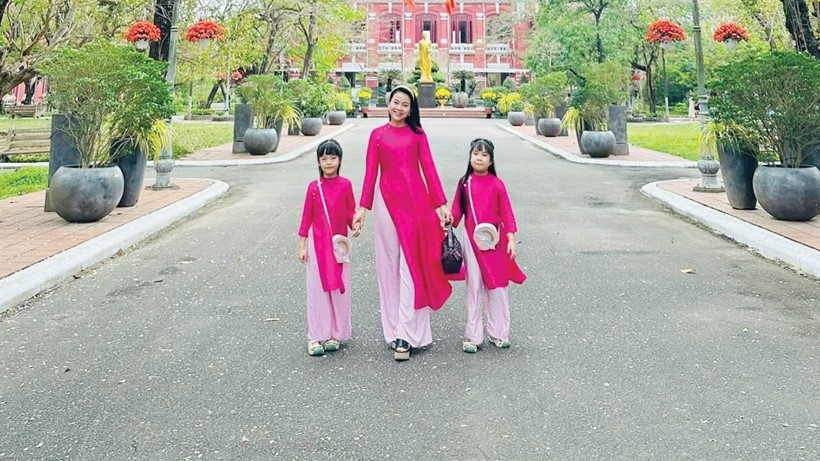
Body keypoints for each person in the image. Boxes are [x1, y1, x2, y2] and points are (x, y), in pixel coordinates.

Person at [352, 85, 452, 361]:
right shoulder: (377, 135)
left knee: (411, 265)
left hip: (416, 205)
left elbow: (429, 169)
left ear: (411, 110)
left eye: (405, 105)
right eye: (396, 102)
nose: (399, 108)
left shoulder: (417, 134)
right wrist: (362, 209)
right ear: (389, 104)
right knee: (388, 266)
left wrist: (441, 204)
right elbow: (370, 174)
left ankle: (407, 334)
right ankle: (394, 329)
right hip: (386, 204)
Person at [450, 138, 526, 353]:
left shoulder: (497, 184)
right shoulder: (464, 183)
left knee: (497, 286)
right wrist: (445, 220)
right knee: (473, 287)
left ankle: (499, 333)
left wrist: (511, 239)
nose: (479, 158)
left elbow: (507, 212)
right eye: (475, 154)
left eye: (484, 155)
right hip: (471, 242)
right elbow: (456, 212)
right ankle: (473, 337)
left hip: (495, 242)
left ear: (491, 161)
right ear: (470, 157)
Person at [298, 139, 359, 357]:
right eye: (324, 158)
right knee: (317, 289)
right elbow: (307, 216)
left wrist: (356, 224)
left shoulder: (346, 185)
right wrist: (302, 245)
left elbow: (350, 212)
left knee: (338, 289)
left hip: (338, 246)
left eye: (333, 158)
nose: (329, 162)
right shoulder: (314, 188)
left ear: (340, 160)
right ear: (318, 162)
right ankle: (315, 335)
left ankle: (335, 334)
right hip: (317, 245)